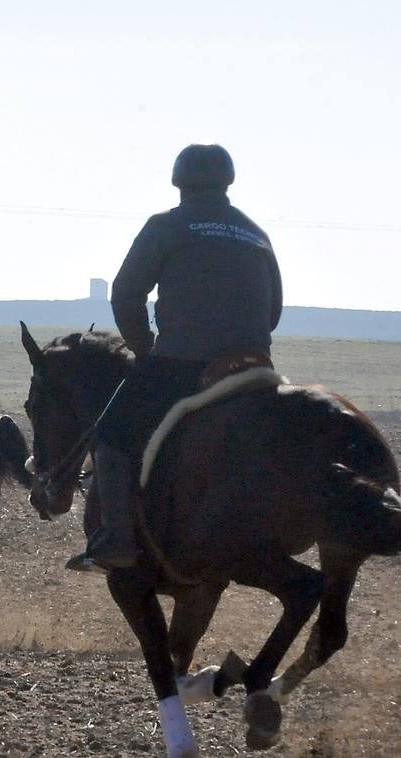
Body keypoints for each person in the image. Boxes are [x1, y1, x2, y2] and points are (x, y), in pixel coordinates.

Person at [67, 144, 284, 573]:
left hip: (183, 364)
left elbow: (127, 294)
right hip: (255, 365)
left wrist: (143, 346)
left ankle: (118, 542)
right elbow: (273, 311)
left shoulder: (166, 226)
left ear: (178, 181)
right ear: (228, 182)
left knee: (109, 437)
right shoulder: (256, 233)